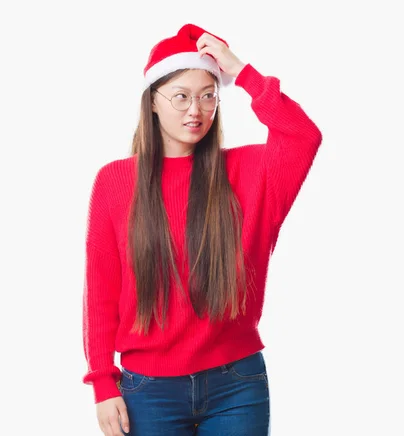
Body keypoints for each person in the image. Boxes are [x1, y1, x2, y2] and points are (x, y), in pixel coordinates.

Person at [82, 23, 322, 436]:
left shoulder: (249, 173)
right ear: (152, 102)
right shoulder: (115, 182)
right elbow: (100, 290)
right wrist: (103, 382)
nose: (196, 110)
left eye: (208, 96)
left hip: (237, 386)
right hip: (147, 391)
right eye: (181, 97)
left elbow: (302, 136)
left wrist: (240, 71)